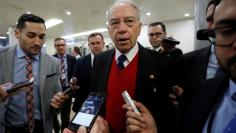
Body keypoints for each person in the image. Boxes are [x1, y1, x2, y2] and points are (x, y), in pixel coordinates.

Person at [124, 0, 236, 132]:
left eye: (158, 34)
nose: (154, 37)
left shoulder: (175, 55)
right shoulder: (209, 90)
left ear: (165, 34)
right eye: (151, 34)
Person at [89, 1, 177, 133]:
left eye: (129, 21)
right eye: (114, 23)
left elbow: (170, 115)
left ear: (139, 27)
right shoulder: (100, 60)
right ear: (109, 30)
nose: (122, 29)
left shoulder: (162, 63)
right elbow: (95, 98)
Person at [0, 13, 68, 133]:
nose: (37, 42)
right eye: (31, 36)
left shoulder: (53, 62)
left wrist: (58, 100)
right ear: (17, 33)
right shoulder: (2, 57)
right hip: (9, 127)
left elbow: (57, 92)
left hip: (41, 127)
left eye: (41, 37)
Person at [72, 32, 105, 112]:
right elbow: (74, 80)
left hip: (105, 105)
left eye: (98, 43)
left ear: (103, 44)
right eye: (92, 43)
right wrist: (73, 84)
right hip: (84, 104)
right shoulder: (80, 62)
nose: (95, 46)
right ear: (89, 45)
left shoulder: (112, 61)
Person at [53, 37, 76, 133]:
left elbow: (75, 73)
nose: (60, 47)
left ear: (65, 46)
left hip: (67, 91)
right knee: (53, 115)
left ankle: (64, 130)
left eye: (62, 45)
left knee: (65, 116)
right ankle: (57, 129)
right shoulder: (51, 59)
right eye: (58, 45)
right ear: (55, 47)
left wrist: (74, 80)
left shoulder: (72, 59)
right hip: (54, 91)